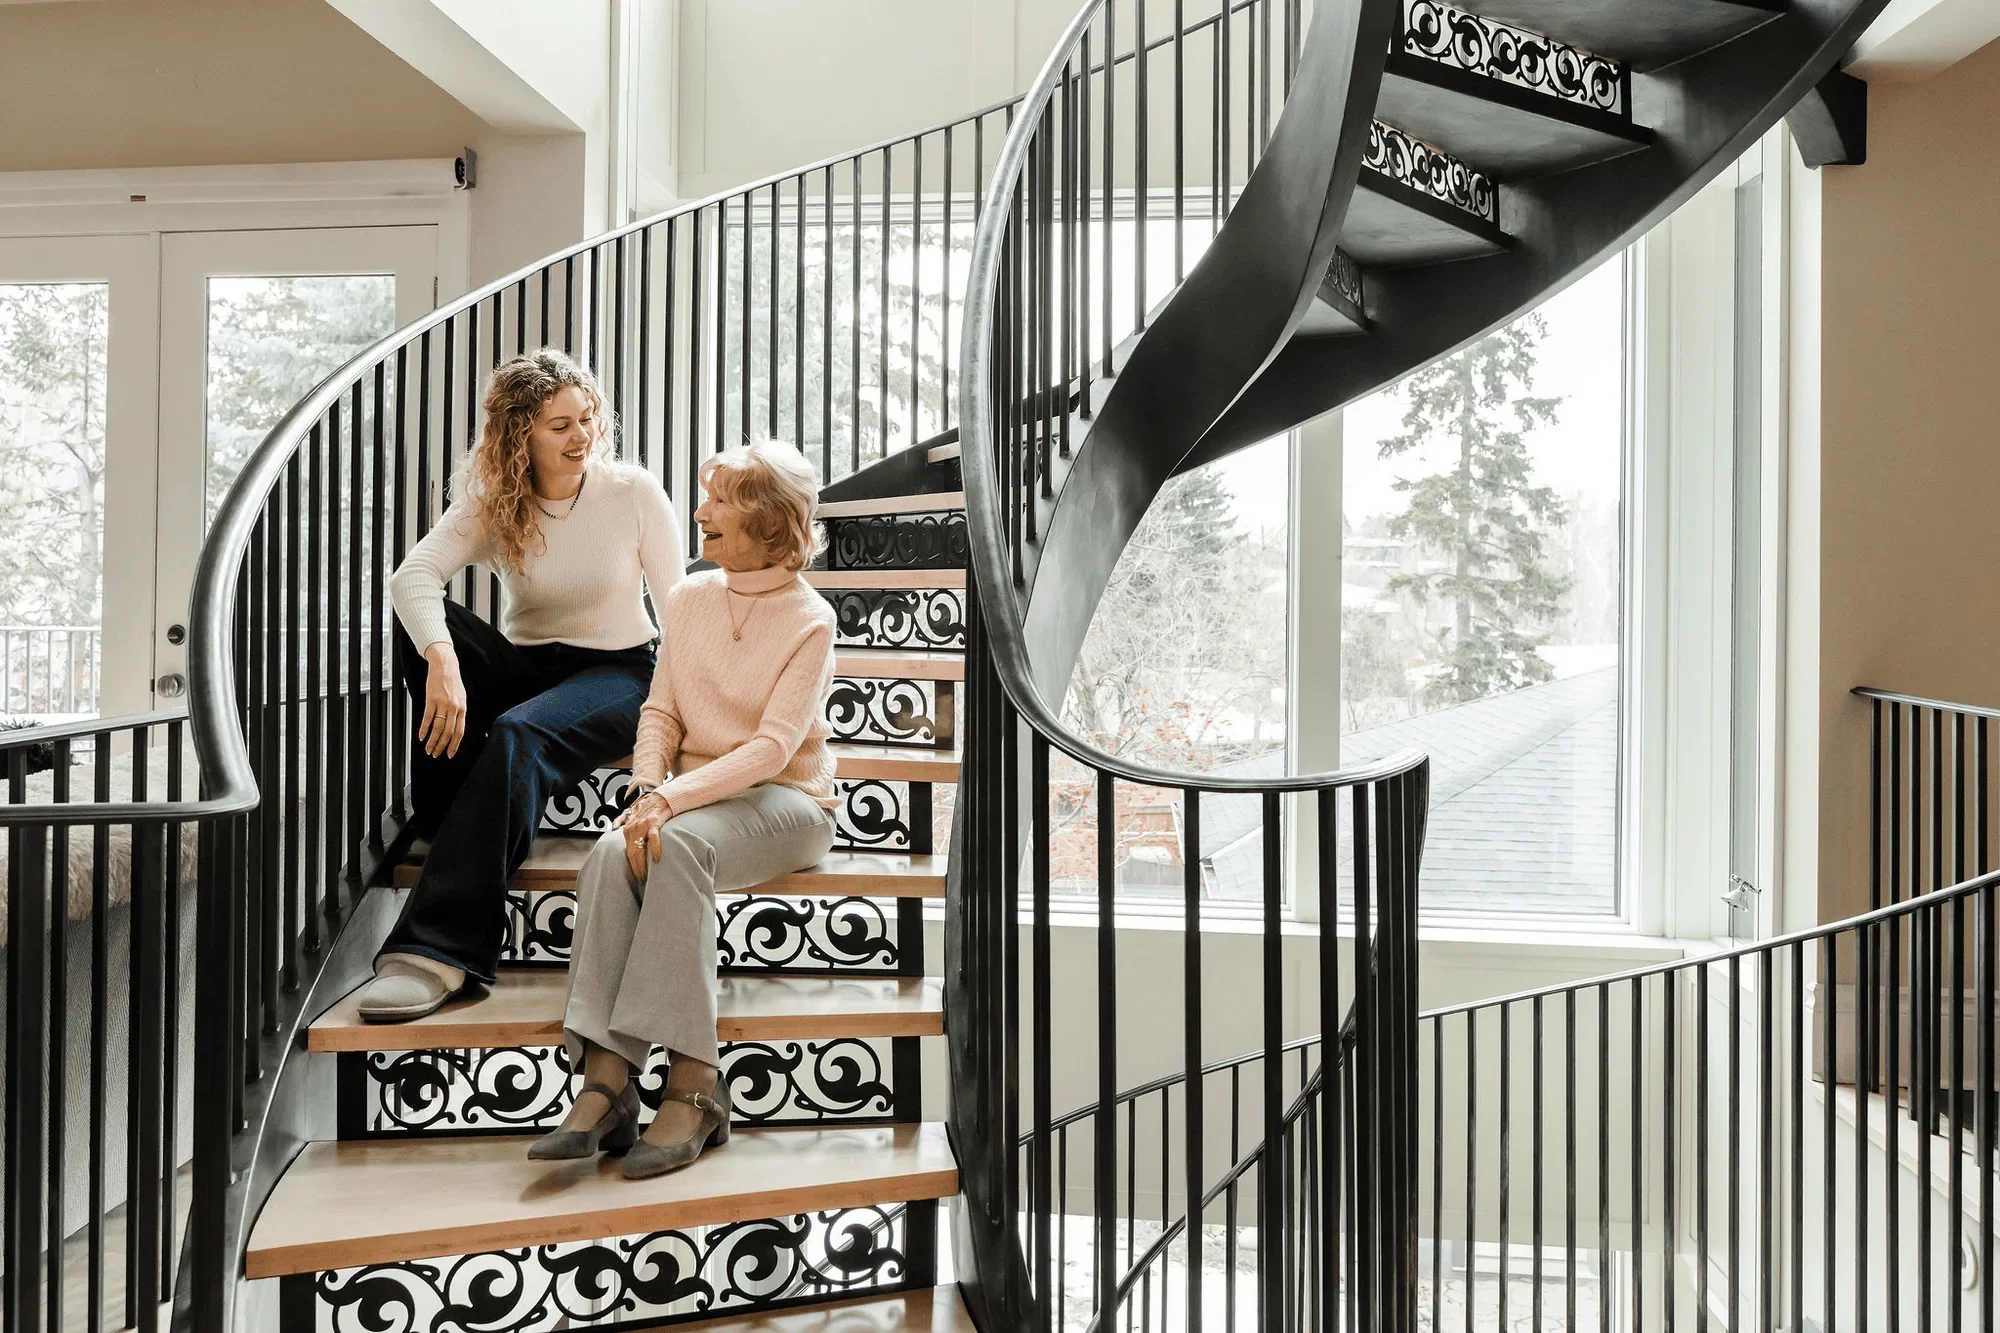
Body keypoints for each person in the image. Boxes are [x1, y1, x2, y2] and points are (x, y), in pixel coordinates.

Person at [530, 443, 838, 1179]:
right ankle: (607, 1078)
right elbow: (661, 710)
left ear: (766, 518)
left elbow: (771, 750)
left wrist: (670, 800)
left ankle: (695, 1081)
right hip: (689, 799)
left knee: (677, 847)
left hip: (787, 800)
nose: (699, 513)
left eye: (719, 501)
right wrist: (644, 790)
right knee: (611, 849)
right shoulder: (688, 599)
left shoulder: (811, 619)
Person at [354, 349, 684, 1022]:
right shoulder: (495, 498)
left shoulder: (632, 493)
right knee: (424, 621)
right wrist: (443, 660)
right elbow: (411, 578)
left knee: (517, 732)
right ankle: (450, 812)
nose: (582, 437)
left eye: (587, 418)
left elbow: (678, 607)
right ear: (519, 435)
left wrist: (687, 715)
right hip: (528, 666)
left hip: (620, 672)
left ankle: (437, 952)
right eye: (560, 425)